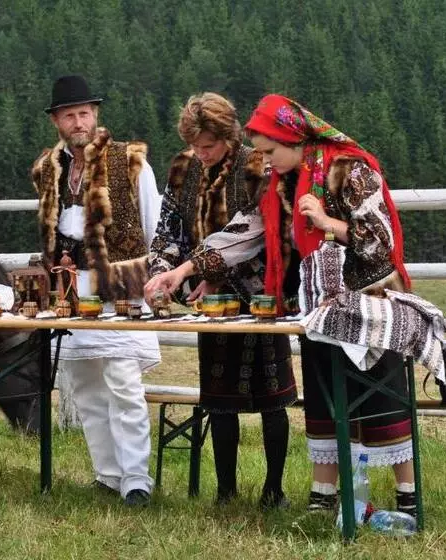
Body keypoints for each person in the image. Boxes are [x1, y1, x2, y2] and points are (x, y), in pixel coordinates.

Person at [148, 94, 418, 518]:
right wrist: (183, 270)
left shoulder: (348, 168)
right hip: (319, 307)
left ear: (294, 139)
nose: (266, 160)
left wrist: (330, 224)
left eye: (271, 151)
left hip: (372, 305)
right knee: (326, 399)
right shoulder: (281, 184)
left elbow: (381, 241)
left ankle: (408, 500)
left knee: (380, 401)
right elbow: (245, 232)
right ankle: (324, 501)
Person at [144, 93, 298, 509]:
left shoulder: (257, 166)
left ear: (227, 137)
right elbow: (168, 230)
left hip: (260, 296)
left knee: (272, 397)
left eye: (208, 146)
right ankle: (225, 491)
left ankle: (274, 490)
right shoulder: (182, 168)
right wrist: (161, 272)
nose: (201, 153)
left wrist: (207, 273)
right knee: (219, 396)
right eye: (195, 145)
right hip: (208, 303)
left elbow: (254, 236)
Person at [31, 75, 161, 507]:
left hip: (118, 287)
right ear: (56, 121)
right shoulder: (47, 168)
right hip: (68, 290)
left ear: (96, 114)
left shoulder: (130, 161)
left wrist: (152, 278)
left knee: (123, 381)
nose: (78, 121)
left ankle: (136, 479)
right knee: (84, 384)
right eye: (69, 114)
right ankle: (107, 474)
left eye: (85, 112)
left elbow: (153, 224)